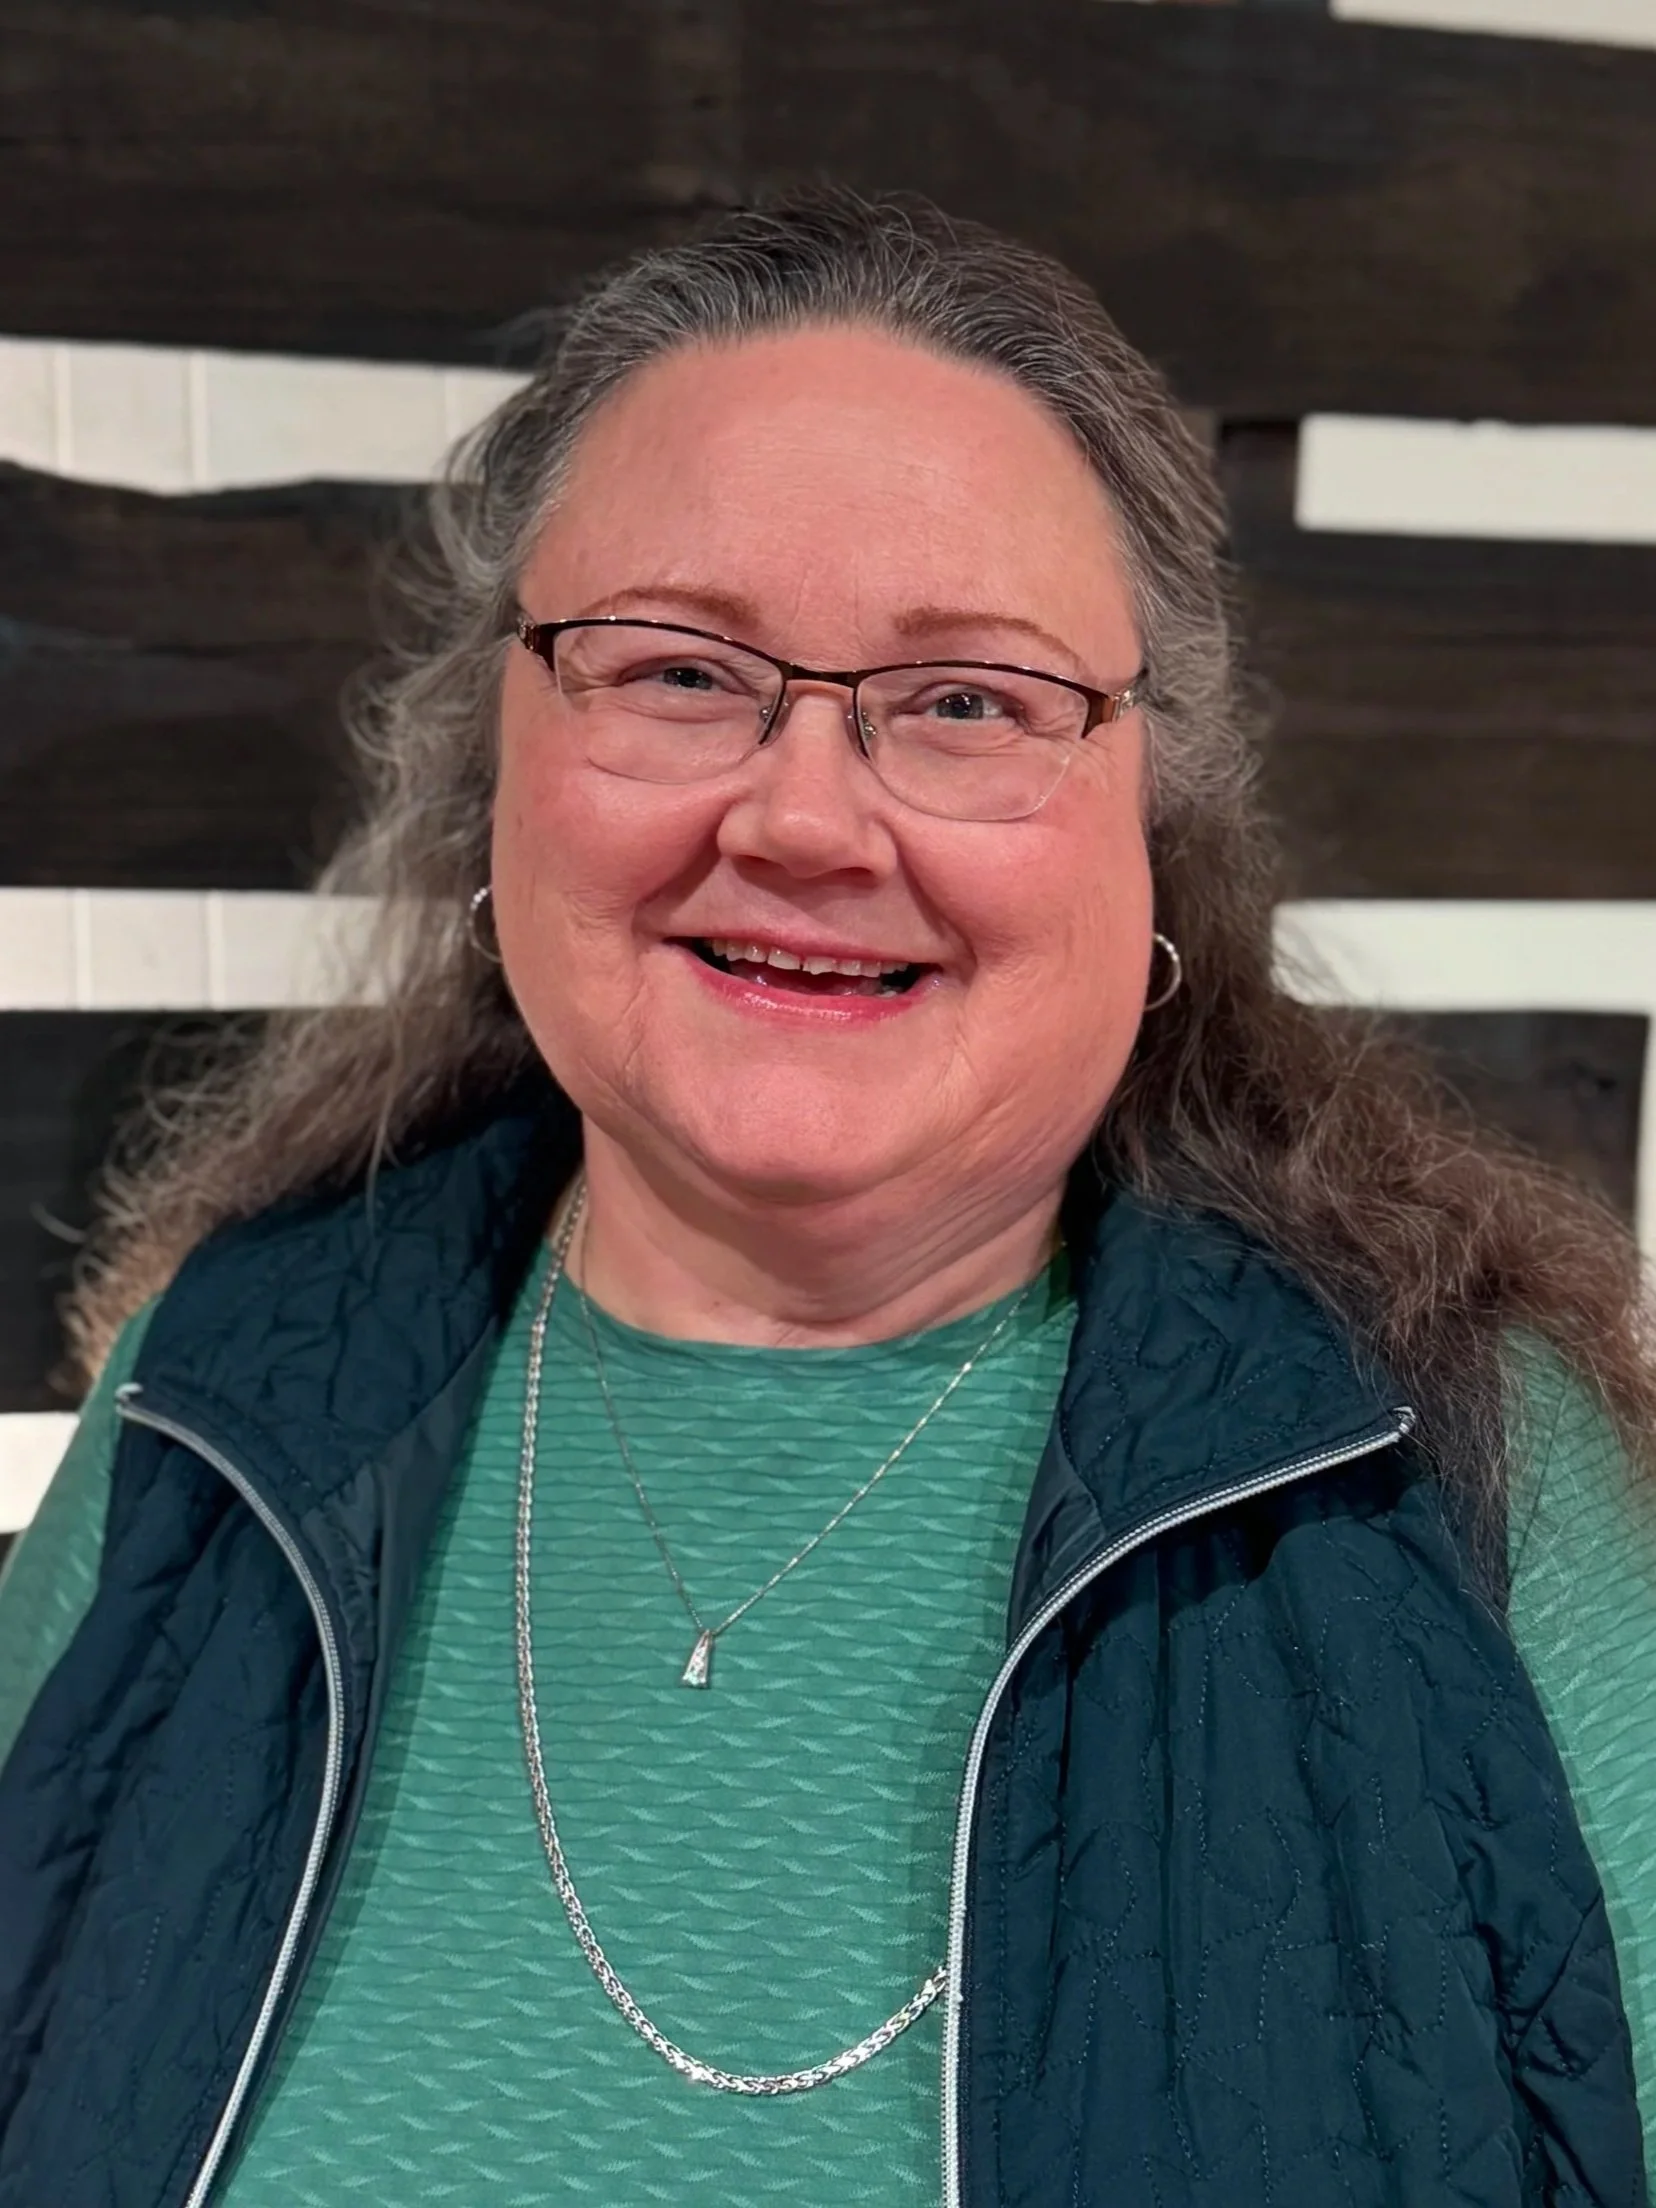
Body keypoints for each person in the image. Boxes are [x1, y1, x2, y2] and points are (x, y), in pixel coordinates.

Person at [0, 188, 1652, 2208]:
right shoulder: (215, 1406)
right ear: (492, 763)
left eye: (967, 700)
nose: (798, 814)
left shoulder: (1475, 1481)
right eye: (681, 670)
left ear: (1151, 829)